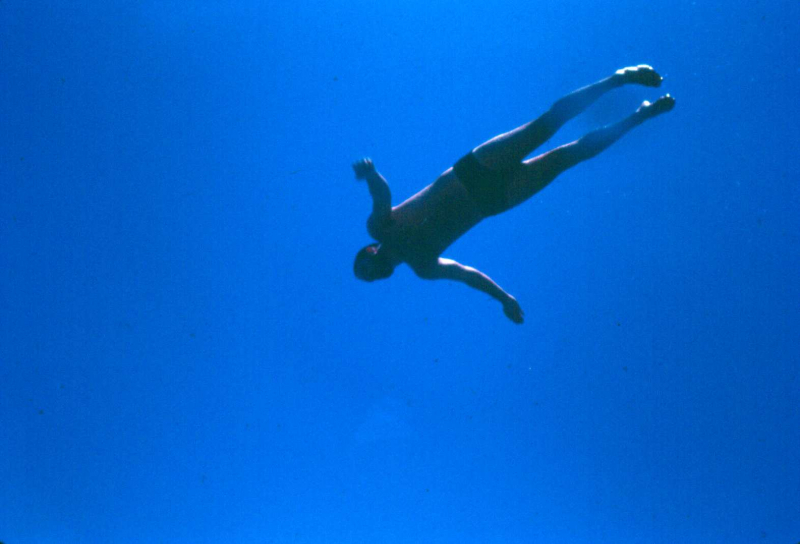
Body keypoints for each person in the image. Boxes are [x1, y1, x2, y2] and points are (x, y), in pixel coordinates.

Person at [353, 65, 675, 324]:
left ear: (368, 250)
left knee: (545, 126)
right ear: (380, 279)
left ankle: (618, 79)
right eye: (366, 278)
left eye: (362, 267)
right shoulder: (423, 266)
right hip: (494, 200)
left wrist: (370, 174)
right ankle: (640, 116)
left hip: (471, 172)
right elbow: (467, 275)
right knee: (568, 157)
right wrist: (503, 298)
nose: (367, 273)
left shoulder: (380, 228)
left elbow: (382, 196)